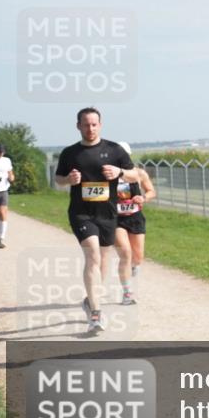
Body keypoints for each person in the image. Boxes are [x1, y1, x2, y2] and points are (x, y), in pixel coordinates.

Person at [54, 108, 139, 333]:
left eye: (94, 124)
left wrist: (119, 172)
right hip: (81, 212)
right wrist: (69, 179)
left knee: (102, 259)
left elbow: (135, 175)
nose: (90, 129)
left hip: (108, 214)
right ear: (78, 126)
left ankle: (89, 300)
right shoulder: (70, 153)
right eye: (85, 124)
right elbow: (58, 179)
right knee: (92, 253)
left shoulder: (114, 150)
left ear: (100, 125)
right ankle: (95, 313)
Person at [114, 142, 156, 295]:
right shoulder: (109, 174)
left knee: (137, 258)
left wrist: (143, 198)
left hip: (135, 217)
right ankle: (127, 292)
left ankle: (133, 265)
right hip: (116, 219)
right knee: (125, 252)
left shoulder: (139, 174)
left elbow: (152, 191)